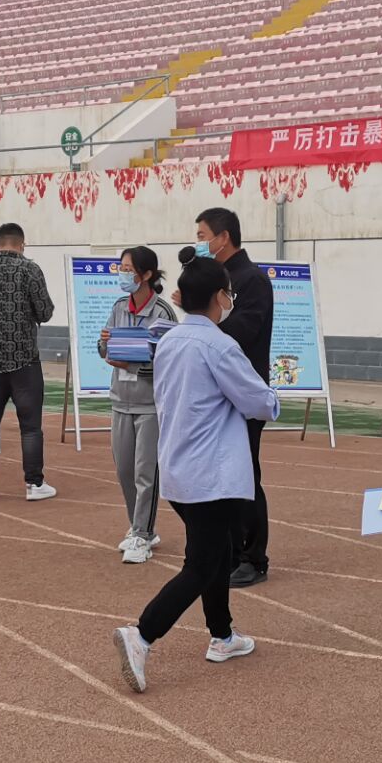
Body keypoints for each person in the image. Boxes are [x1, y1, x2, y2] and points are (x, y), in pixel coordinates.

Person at [111, 256, 281, 694]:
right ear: (220, 296)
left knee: (218, 553)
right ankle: (142, 634)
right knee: (203, 565)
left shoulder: (169, 339)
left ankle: (222, 635)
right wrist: (274, 397)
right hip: (212, 475)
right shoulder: (219, 346)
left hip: (179, 467)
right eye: (228, 293)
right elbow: (258, 402)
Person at [194, 207, 274, 586]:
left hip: (244, 392)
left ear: (223, 237)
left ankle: (253, 558)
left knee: (245, 474)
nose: (199, 243)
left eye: (202, 235)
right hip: (216, 392)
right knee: (222, 474)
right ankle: (229, 552)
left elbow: (244, 329)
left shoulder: (252, 279)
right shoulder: (216, 278)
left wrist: (208, 318)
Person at [98, 246, 177, 564]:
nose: (123, 273)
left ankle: (143, 534)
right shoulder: (119, 306)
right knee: (124, 470)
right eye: (121, 268)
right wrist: (105, 344)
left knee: (146, 472)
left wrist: (131, 362)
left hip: (149, 404)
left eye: (128, 269)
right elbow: (104, 348)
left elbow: (167, 361)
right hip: (120, 401)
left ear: (146, 274)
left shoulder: (163, 313)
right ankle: (138, 527)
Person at [0, 222, 56, 502]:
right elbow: (45, 311)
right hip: (24, 360)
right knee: (30, 426)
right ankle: (34, 484)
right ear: (22, 244)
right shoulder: (30, 270)